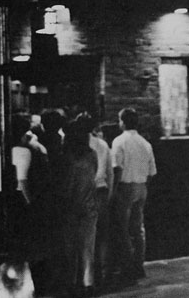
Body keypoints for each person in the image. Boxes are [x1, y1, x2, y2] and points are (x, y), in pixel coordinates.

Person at [0, 114, 33, 264]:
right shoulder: (25, 152)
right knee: (18, 245)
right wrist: (30, 204)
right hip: (17, 200)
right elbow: (22, 181)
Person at [109, 108, 156, 285]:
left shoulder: (119, 142)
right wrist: (143, 184)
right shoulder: (145, 143)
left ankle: (127, 267)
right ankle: (139, 265)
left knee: (123, 228)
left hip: (125, 186)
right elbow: (152, 171)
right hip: (142, 186)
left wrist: (114, 190)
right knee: (138, 228)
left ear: (123, 122)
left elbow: (117, 168)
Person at [60, 120, 99, 298]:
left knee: (71, 248)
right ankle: (88, 284)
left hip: (71, 206)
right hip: (89, 204)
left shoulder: (67, 157)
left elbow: (67, 184)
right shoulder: (92, 155)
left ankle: (72, 283)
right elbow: (94, 175)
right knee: (87, 248)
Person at [76, 113, 114, 289]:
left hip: (83, 192)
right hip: (101, 190)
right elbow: (110, 171)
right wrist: (110, 192)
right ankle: (103, 274)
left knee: (85, 239)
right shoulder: (103, 144)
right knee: (103, 235)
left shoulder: (77, 145)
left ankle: (85, 279)